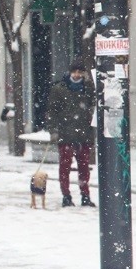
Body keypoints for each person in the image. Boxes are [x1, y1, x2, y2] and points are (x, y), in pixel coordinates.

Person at [46, 58, 96, 208]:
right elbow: (52, 112)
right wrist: (54, 131)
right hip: (66, 134)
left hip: (83, 135)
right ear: (69, 72)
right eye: (74, 72)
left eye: (79, 72)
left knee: (84, 167)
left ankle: (85, 195)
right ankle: (66, 195)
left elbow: (93, 107)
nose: (76, 75)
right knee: (65, 167)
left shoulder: (88, 88)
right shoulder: (59, 89)